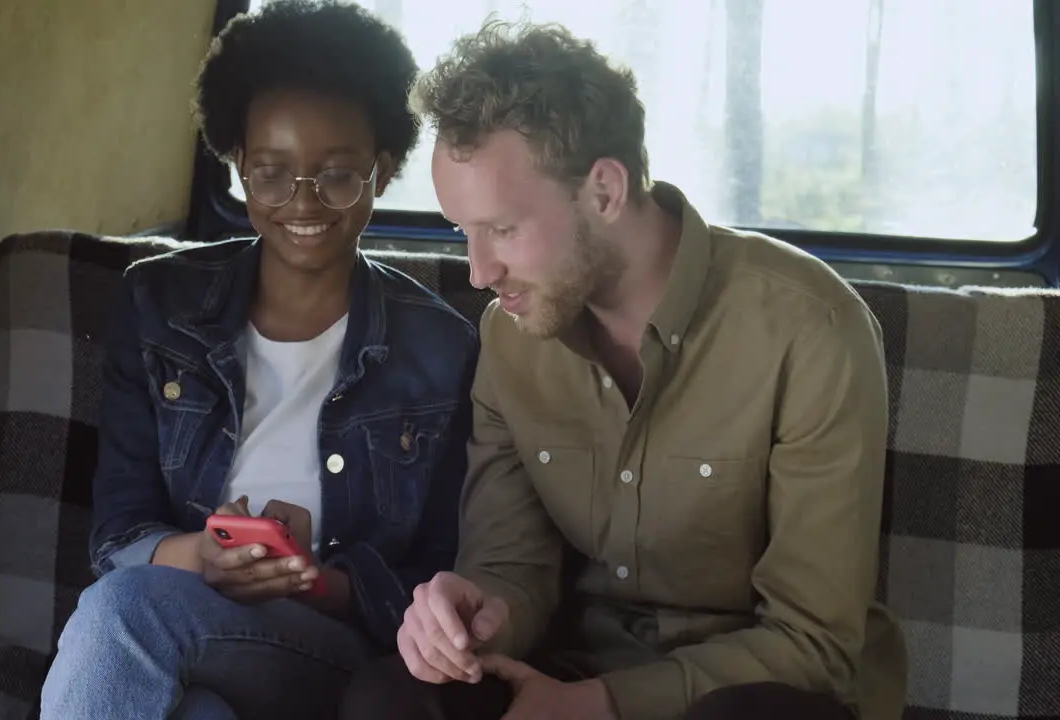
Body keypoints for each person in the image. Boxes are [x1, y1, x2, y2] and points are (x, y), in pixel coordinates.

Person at [339, 19, 908, 720]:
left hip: (748, 693)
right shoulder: (511, 337)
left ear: (604, 191)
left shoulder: (811, 330)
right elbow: (511, 567)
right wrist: (475, 615)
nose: (481, 272)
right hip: (564, 674)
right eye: (465, 232)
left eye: (504, 229)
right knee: (388, 699)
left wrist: (602, 704)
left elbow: (812, 643)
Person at [38, 2, 479, 718]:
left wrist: (313, 581)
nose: (302, 204)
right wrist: (205, 558)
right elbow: (118, 533)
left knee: (127, 611)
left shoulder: (442, 345)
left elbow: (441, 574)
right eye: (271, 174)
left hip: (338, 658)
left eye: (338, 174)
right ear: (238, 164)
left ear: (383, 167)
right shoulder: (157, 306)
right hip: (187, 631)